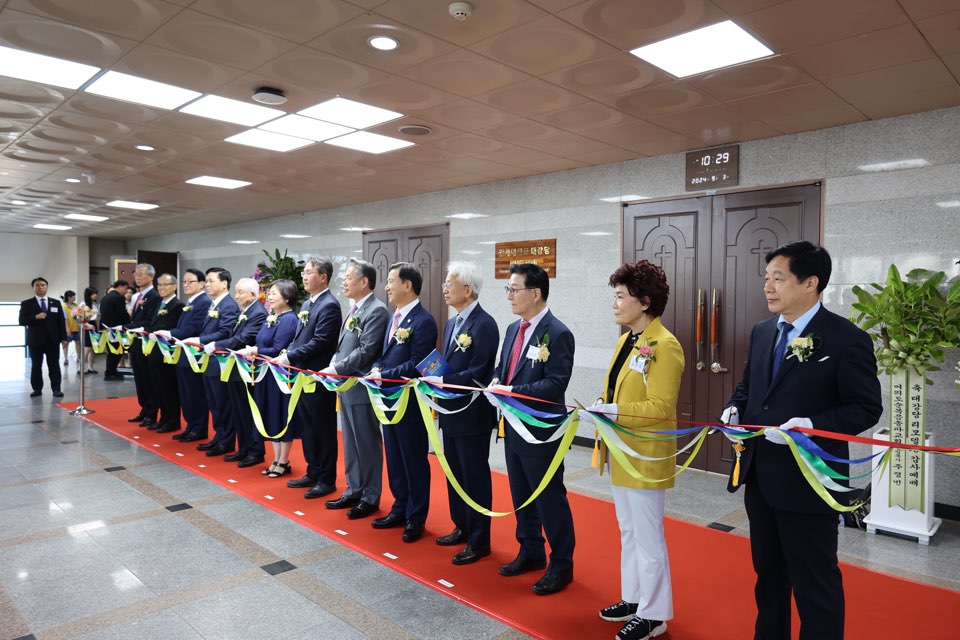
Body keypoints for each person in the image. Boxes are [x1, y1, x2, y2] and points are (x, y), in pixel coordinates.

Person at [721, 241, 882, 640]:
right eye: (766, 278)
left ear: (811, 283)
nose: (768, 287)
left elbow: (865, 407)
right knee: (768, 576)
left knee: (815, 583)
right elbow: (749, 387)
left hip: (811, 482)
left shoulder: (846, 339)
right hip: (761, 478)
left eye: (779, 278)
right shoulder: (762, 332)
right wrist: (733, 409)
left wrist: (810, 423)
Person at [587, 261, 684, 640]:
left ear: (644, 302)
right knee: (628, 530)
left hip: (645, 455)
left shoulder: (665, 345)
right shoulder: (628, 338)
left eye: (620, 296)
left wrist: (613, 411)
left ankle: (655, 615)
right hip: (621, 449)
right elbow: (618, 390)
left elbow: (660, 406)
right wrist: (603, 402)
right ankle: (635, 598)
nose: (614, 303)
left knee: (648, 536)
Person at [487, 263, 576, 595]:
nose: (509, 295)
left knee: (549, 498)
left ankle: (562, 565)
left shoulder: (558, 332)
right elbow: (502, 368)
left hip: (541, 431)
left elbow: (555, 384)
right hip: (512, 427)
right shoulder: (513, 329)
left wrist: (512, 393)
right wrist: (497, 384)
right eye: (507, 289)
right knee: (521, 493)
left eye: (514, 289)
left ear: (535, 293)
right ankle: (530, 550)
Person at [421, 261, 499, 565]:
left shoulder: (485, 323)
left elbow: (479, 371)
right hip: (450, 410)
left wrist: (444, 380)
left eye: (449, 284)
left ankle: (480, 540)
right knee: (454, 473)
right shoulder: (452, 323)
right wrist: (433, 374)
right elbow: (451, 364)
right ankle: (462, 526)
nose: (444, 289)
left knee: (474, 476)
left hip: (472, 414)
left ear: (467, 289)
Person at [367, 262, 438, 543]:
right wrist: (375, 368)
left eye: (391, 281)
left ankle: (416, 516)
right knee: (394, 457)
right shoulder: (394, 317)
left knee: (413, 459)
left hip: (410, 401)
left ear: (408, 285)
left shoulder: (423, 320)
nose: (386, 287)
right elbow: (384, 354)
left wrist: (383, 375)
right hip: (388, 399)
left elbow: (416, 364)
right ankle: (400, 507)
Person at [320, 259, 389, 519]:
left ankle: (370, 495)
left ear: (364, 282)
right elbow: (343, 347)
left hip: (360, 386)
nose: (344, 282)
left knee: (367, 442)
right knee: (350, 441)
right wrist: (332, 365)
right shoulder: (354, 309)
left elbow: (367, 350)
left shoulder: (376, 310)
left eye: (349, 277)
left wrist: (337, 369)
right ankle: (354, 488)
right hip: (345, 385)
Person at [276, 257, 342, 498]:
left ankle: (326, 479)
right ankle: (313, 471)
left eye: (309, 272)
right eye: (303, 272)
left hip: (318, 377)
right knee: (308, 427)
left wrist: (291, 356)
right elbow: (299, 336)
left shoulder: (329, 305)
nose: (304, 276)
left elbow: (321, 342)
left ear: (323, 277)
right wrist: (288, 351)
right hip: (302, 376)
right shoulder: (307, 304)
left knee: (322, 428)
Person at [237, 280, 301, 477]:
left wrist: (255, 350)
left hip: (280, 377)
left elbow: (276, 349)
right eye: (270, 293)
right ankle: (275, 459)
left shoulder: (290, 319)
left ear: (287, 297)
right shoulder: (271, 317)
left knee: (281, 414)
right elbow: (262, 342)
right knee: (271, 414)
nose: (270, 297)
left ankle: (284, 460)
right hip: (266, 374)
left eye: (274, 294)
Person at [208, 277, 267, 466]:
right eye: (236, 291)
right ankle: (243, 448)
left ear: (252, 294)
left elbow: (243, 338)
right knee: (238, 411)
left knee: (248, 411)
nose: (237, 296)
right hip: (235, 368)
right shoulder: (246, 311)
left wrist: (216, 345)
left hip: (247, 369)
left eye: (240, 292)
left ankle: (255, 451)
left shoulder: (258, 313)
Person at [189, 268, 240, 456]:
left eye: (211, 281)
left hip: (219, 362)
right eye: (206, 281)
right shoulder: (215, 304)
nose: (207, 285)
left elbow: (225, 332)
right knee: (214, 403)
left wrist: (200, 340)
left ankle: (226, 440)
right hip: (208, 361)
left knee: (222, 402)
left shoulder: (228, 305)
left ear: (224, 284)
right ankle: (219, 436)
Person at [155, 269, 211, 442]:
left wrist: (169, 333)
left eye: (190, 282)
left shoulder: (203, 302)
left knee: (195, 393)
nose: (186, 285)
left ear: (202, 284)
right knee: (186, 394)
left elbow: (194, 328)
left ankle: (199, 428)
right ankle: (191, 426)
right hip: (183, 354)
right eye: (184, 282)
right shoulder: (191, 302)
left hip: (193, 355)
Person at [143, 274, 183, 433]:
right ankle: (164, 417)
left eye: (165, 284)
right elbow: (153, 323)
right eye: (159, 284)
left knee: (168, 387)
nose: (161, 288)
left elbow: (170, 326)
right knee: (158, 387)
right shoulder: (160, 303)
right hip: (154, 350)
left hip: (166, 353)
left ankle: (172, 420)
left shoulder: (177, 305)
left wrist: (152, 331)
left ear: (174, 286)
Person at [125, 264, 161, 426]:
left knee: (148, 379)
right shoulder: (137, 296)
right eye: (136, 274)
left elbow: (149, 321)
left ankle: (152, 412)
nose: (137, 277)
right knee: (139, 378)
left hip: (146, 343)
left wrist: (128, 327)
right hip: (136, 342)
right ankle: (144, 409)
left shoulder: (154, 296)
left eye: (141, 274)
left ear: (151, 277)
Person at [19, 277, 67, 398]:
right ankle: (37, 389)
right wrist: (35, 317)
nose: (41, 287)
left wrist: (64, 338)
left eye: (43, 285)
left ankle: (56, 389)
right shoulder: (27, 303)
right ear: (33, 288)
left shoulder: (55, 302)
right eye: (38, 285)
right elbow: (21, 321)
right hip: (35, 341)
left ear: (47, 287)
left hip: (53, 340)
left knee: (54, 365)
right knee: (36, 366)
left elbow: (61, 321)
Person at [98, 280, 130, 380]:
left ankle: (111, 371)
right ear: (120, 286)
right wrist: (130, 323)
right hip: (116, 329)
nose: (125, 292)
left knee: (112, 351)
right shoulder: (118, 297)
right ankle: (110, 373)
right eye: (125, 289)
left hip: (106, 328)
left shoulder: (105, 297)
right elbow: (122, 313)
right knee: (116, 351)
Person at [79, 286, 99, 374]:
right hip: (86, 325)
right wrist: (87, 324)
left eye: (96, 293)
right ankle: (81, 368)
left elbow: (97, 317)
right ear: (89, 294)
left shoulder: (95, 304)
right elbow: (78, 318)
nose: (96, 295)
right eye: (94, 294)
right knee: (87, 348)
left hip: (94, 325)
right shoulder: (83, 304)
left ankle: (90, 367)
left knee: (94, 347)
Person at [60, 290, 81, 367]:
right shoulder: (63, 306)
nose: (75, 297)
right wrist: (67, 329)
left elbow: (79, 316)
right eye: (73, 296)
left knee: (78, 343)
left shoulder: (76, 305)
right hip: (67, 329)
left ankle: (78, 357)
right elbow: (64, 319)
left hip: (76, 327)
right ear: (69, 297)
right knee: (66, 344)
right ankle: (66, 359)